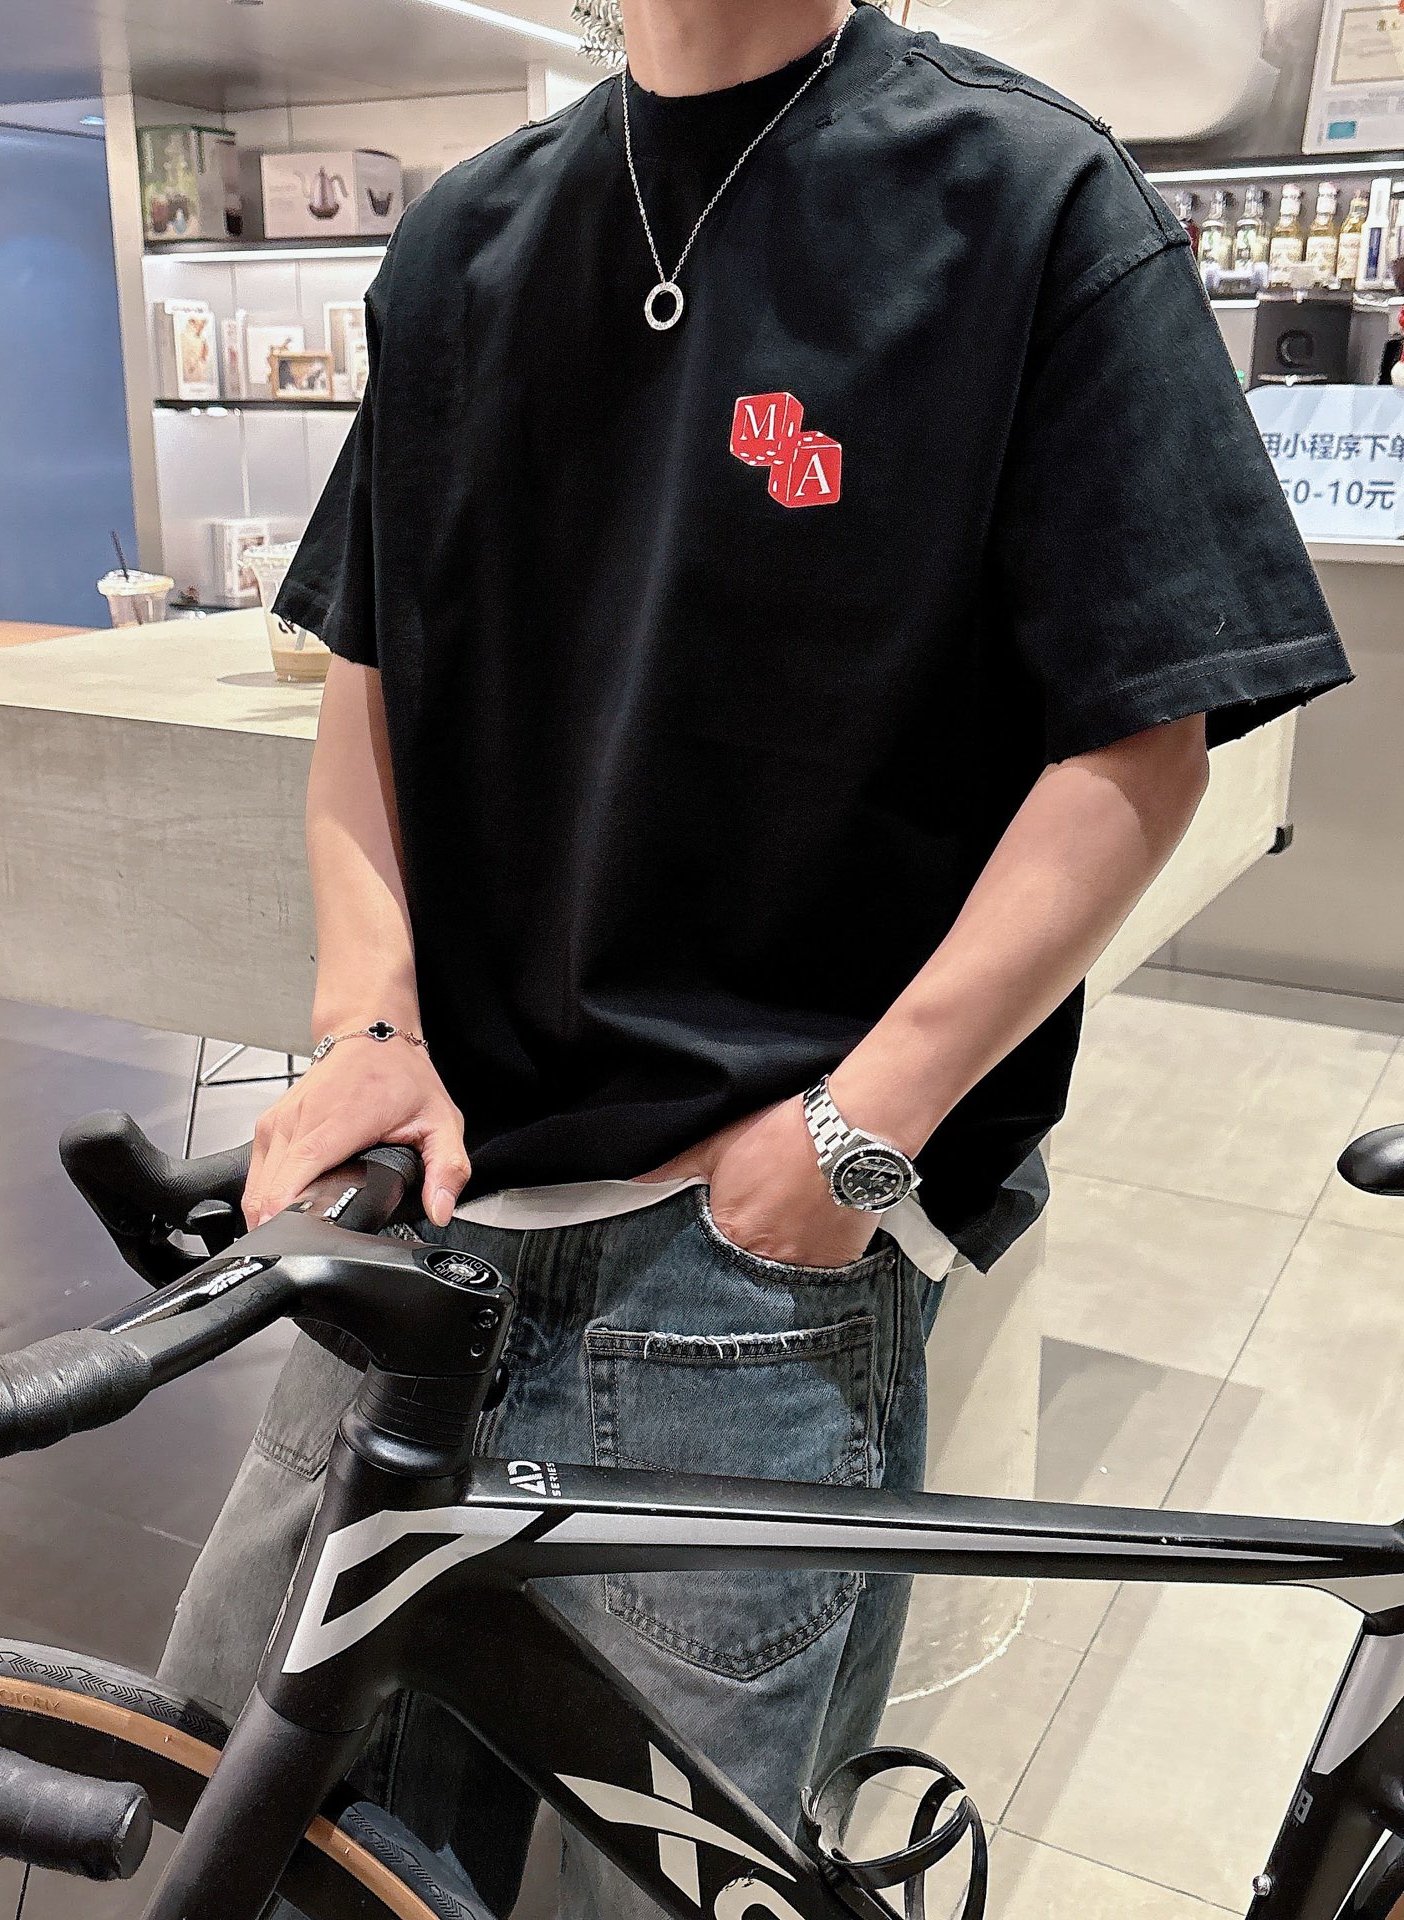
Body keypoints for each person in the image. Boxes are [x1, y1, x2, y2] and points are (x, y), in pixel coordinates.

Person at [160, 1, 1353, 1913]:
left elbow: (1140, 742)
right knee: (261, 1833)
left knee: (654, 1886)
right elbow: (364, 682)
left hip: (750, 1269)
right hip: (428, 1218)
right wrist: (366, 1021)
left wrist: (855, 1137)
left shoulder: (1024, 199)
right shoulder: (463, 239)